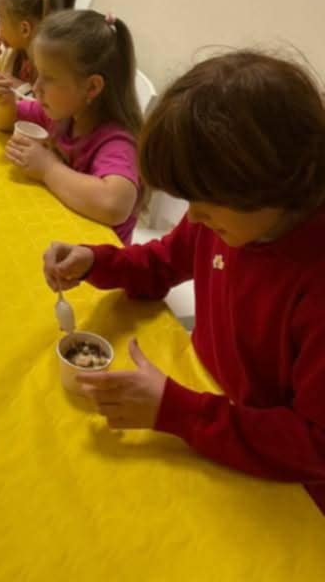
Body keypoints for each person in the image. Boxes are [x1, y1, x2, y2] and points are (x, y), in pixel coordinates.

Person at [42, 50, 325, 515]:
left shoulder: (312, 282)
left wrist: (176, 411)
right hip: (213, 405)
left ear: (276, 187)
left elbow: (313, 446)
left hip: (288, 491)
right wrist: (96, 262)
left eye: (205, 204)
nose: (192, 217)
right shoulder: (228, 218)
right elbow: (162, 263)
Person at [0, 9, 141, 243]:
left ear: (92, 87)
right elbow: (6, 122)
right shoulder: (63, 113)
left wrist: (47, 169)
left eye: (48, 78)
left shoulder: (116, 141)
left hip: (95, 253)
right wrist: (5, 104)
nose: (36, 87)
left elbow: (114, 205)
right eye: (37, 74)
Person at [0, 0, 76, 94]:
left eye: (0, 19)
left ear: (24, 29)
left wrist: (20, 90)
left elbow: (50, 105)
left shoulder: (57, 70)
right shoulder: (12, 51)